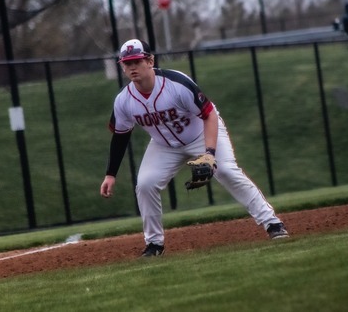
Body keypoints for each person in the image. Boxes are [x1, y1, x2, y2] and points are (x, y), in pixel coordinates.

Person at [100, 39, 289, 257]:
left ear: (150, 61)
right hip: (164, 146)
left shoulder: (176, 84)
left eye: (137, 61)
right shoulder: (124, 100)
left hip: (201, 133)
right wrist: (110, 174)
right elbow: (121, 136)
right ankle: (154, 244)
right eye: (126, 63)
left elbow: (208, 115)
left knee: (226, 170)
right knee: (145, 184)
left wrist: (209, 154)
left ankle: (272, 223)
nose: (132, 67)